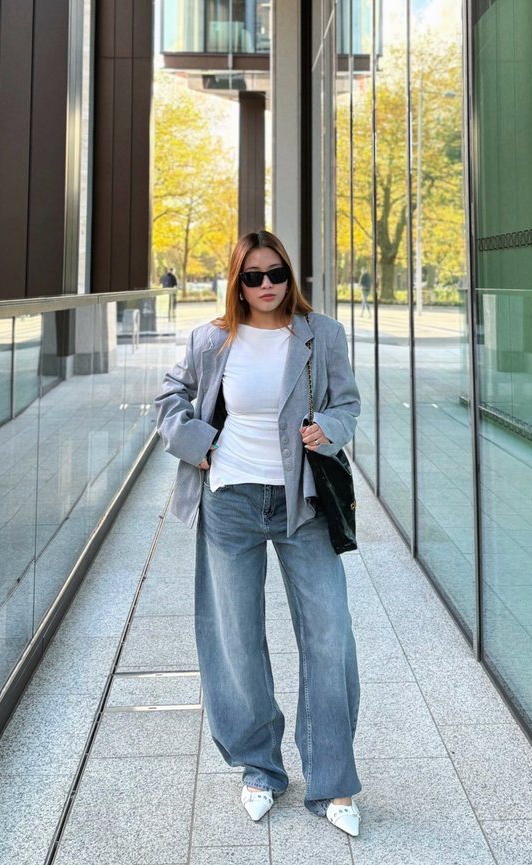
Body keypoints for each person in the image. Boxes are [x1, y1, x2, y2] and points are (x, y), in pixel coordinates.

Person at [155, 230, 362, 837]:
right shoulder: (210, 340)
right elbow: (169, 399)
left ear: (289, 275)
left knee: (329, 635)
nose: (266, 286)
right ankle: (259, 768)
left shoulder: (320, 334)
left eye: (275, 274)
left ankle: (331, 783)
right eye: (253, 276)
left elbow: (347, 404)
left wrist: (328, 426)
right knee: (235, 638)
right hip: (231, 502)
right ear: (236, 281)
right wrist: (201, 446)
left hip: (303, 506)